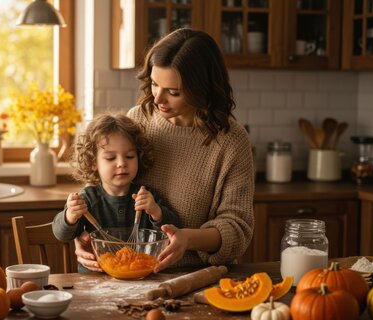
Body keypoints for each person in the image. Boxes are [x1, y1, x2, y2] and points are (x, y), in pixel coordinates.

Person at [74, 28, 255, 273]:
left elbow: (237, 228)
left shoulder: (231, 141)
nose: (158, 98)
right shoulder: (139, 119)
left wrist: (188, 238)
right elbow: (107, 187)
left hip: (197, 275)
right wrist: (83, 233)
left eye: (173, 92)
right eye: (155, 84)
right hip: (135, 274)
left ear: (202, 89)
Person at [52, 113, 180, 271]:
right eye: (111, 158)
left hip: (140, 275)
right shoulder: (88, 199)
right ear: (93, 162)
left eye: (129, 156)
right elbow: (61, 234)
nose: (121, 163)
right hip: (96, 279)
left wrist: (156, 212)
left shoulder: (146, 196)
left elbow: (175, 229)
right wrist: (69, 217)